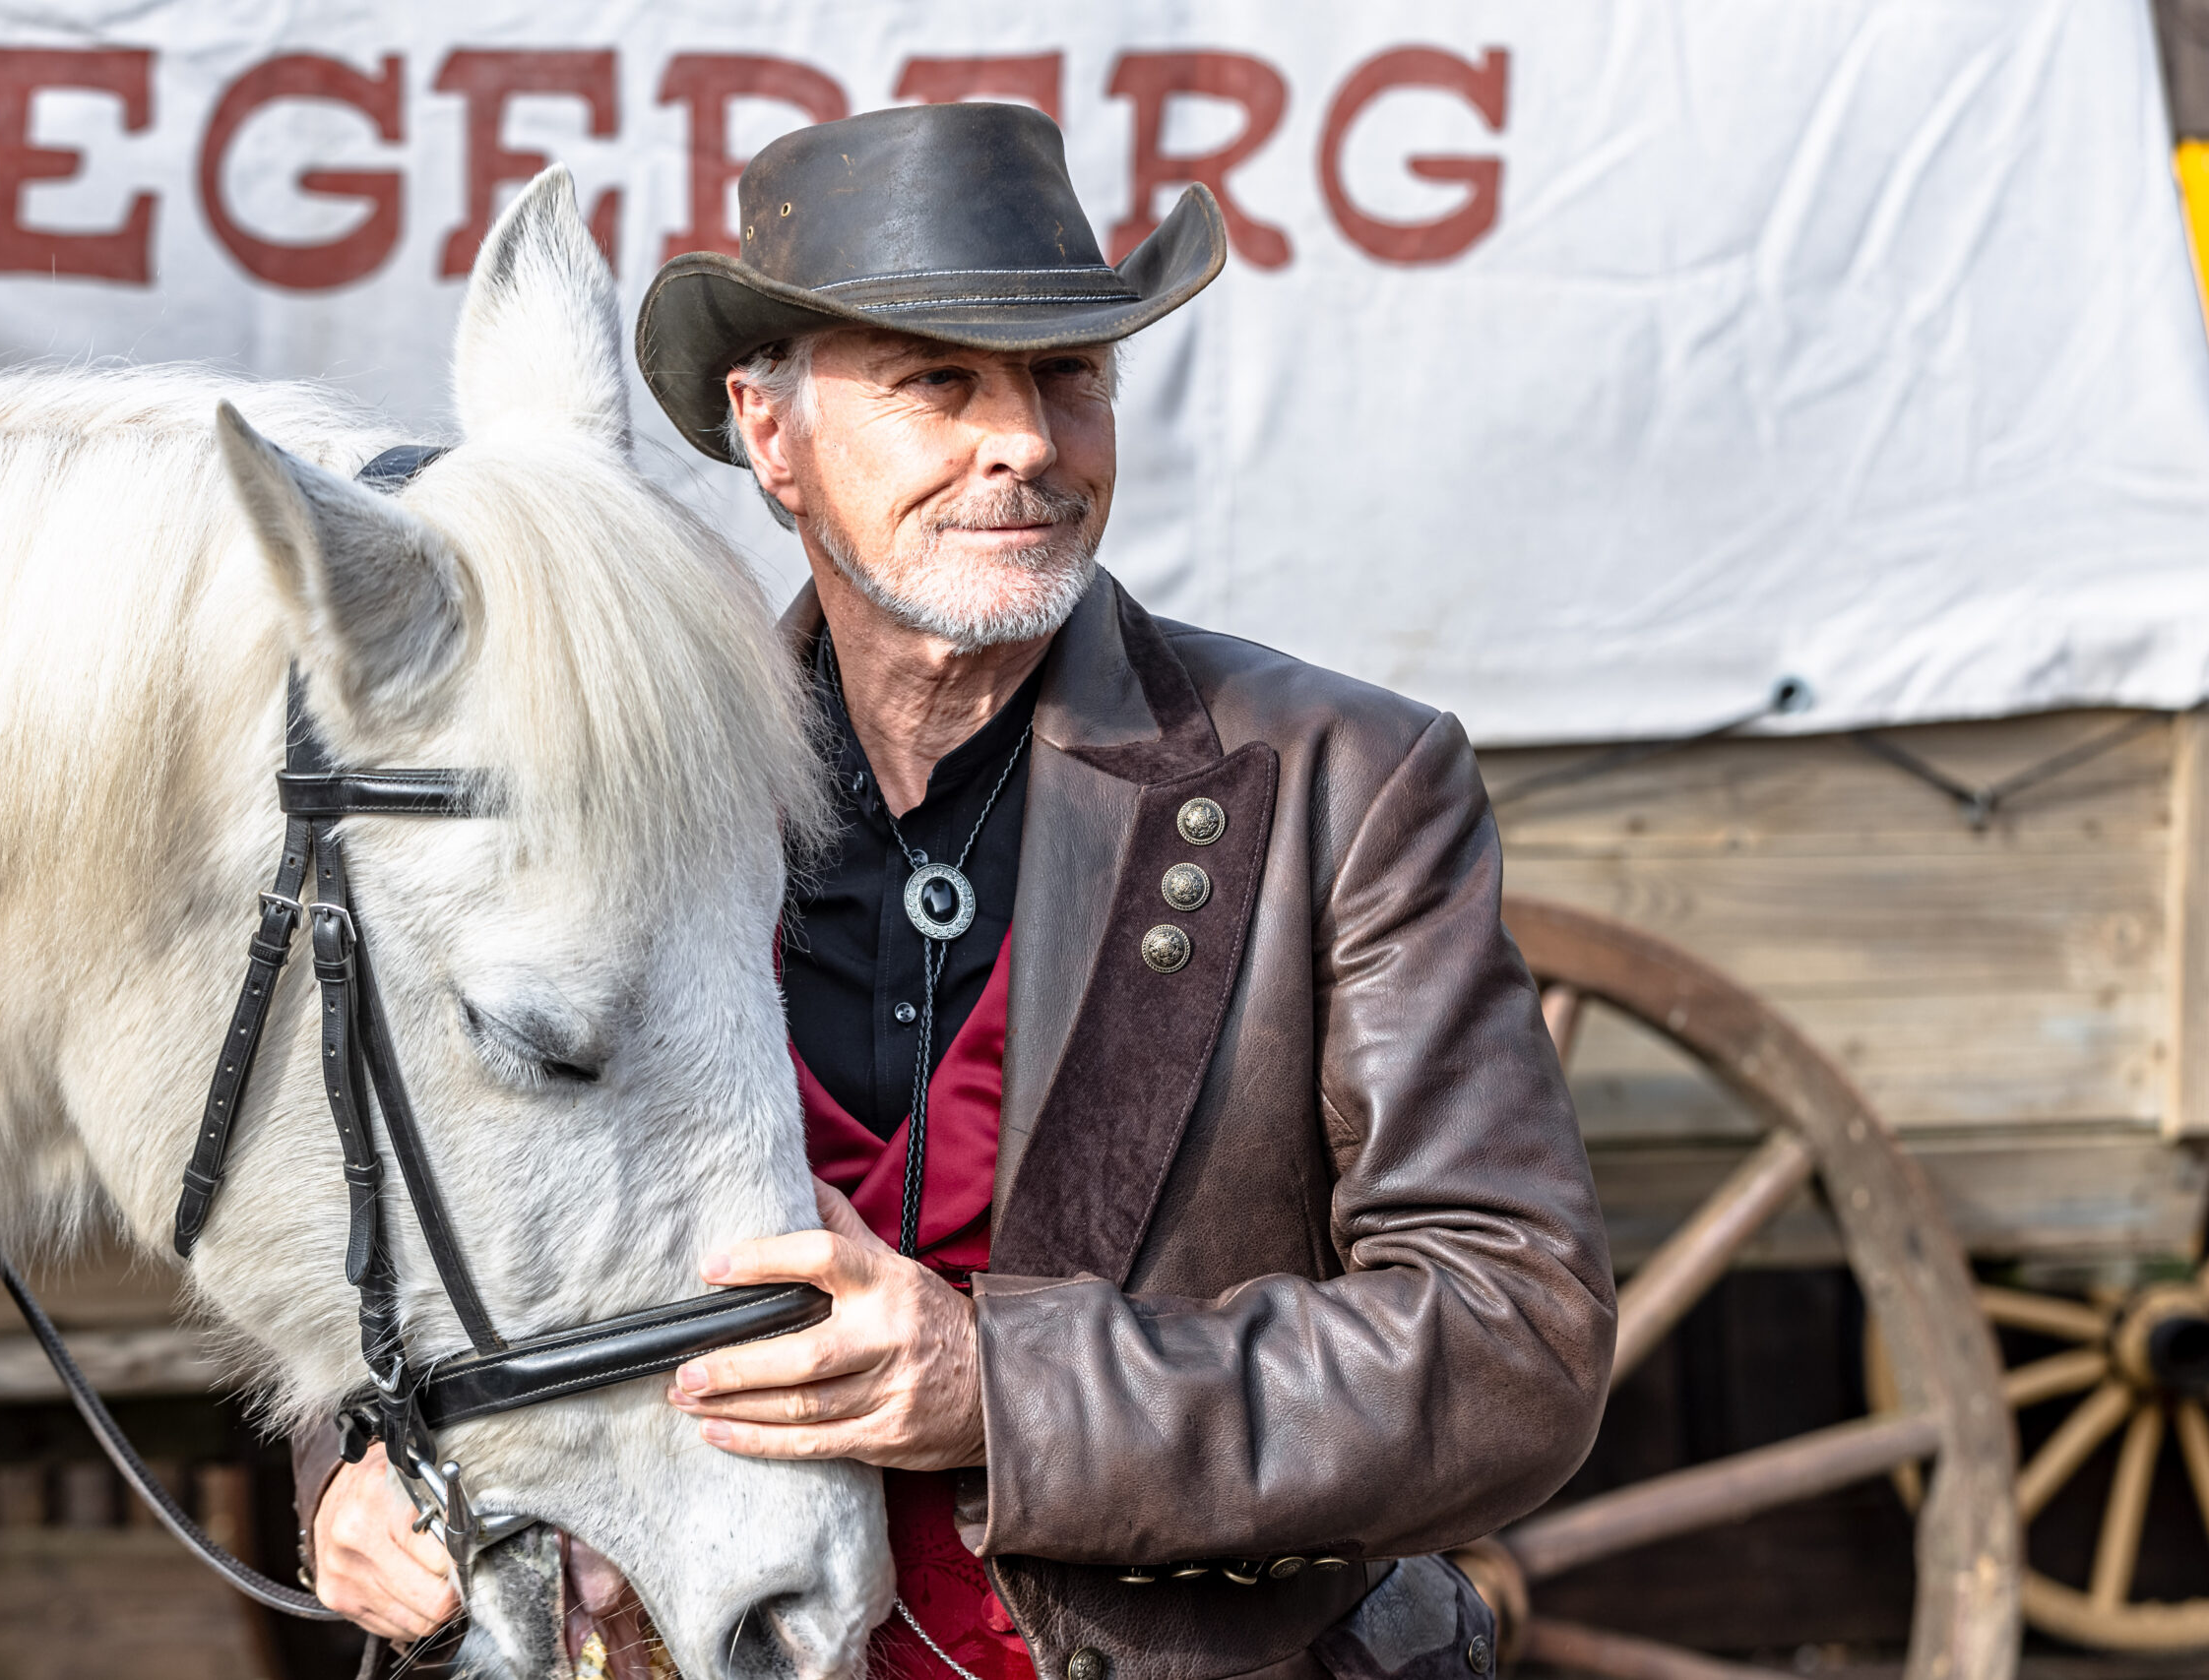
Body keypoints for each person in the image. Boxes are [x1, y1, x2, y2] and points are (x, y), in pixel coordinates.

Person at [300, 101, 1614, 1680]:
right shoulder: (615, 791)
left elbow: (1511, 1345)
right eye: (939, 384)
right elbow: (423, 1191)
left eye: (1071, 380)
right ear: (769, 436)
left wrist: (995, 1387)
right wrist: (356, 1479)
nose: (1030, 444)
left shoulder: (1346, 782)